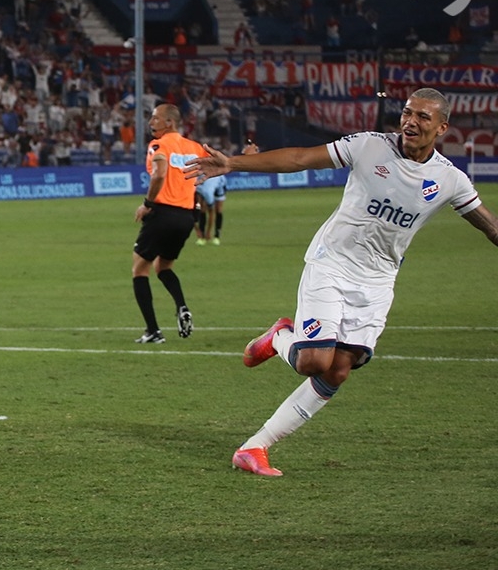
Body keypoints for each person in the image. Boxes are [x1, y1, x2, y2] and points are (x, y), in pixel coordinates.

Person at [184, 88, 498, 477]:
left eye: (422, 117)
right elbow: (300, 158)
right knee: (313, 361)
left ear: (442, 128)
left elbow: (489, 225)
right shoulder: (369, 146)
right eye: (407, 113)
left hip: (378, 280)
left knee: (337, 371)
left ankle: (254, 447)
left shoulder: (449, 179)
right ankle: (280, 337)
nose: (410, 121)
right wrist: (233, 162)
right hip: (332, 263)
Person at [131, 104, 207, 344]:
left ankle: (153, 331)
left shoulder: (159, 145)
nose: (151, 122)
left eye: (156, 118)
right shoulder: (194, 148)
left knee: (139, 269)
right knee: (163, 267)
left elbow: (159, 173)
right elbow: (218, 164)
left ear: (169, 122)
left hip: (163, 212)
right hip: (186, 217)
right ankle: (182, 306)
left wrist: (147, 204)